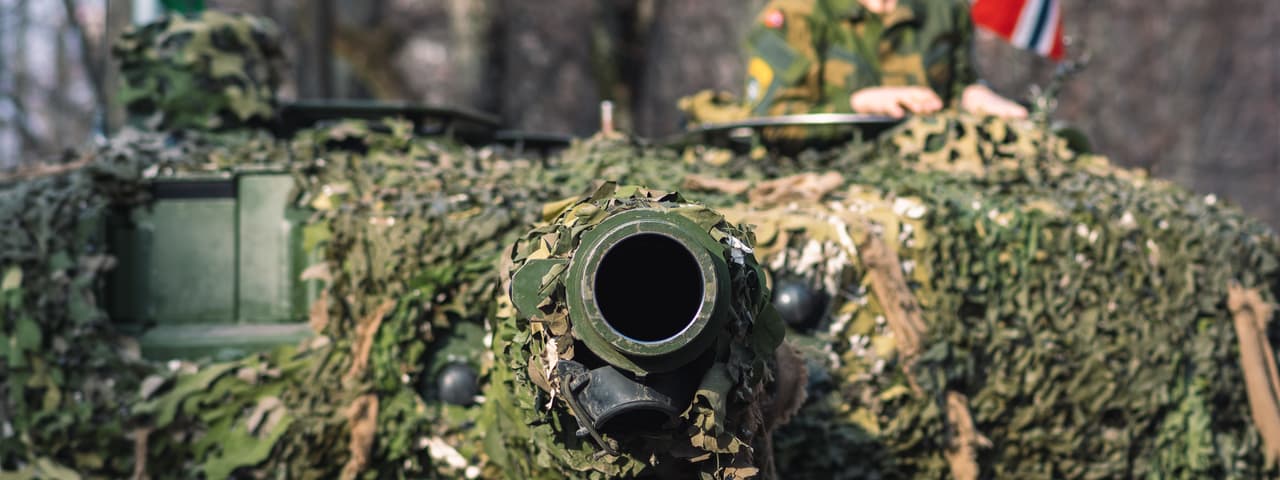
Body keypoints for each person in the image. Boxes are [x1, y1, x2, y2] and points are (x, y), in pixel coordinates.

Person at [744, 0, 1027, 119]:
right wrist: (858, 104)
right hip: (825, 177)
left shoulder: (944, 9)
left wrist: (974, 96)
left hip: (928, 173)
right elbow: (769, 118)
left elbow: (956, 85)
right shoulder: (797, 14)